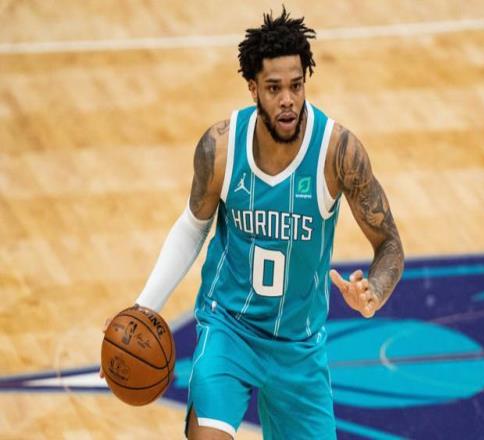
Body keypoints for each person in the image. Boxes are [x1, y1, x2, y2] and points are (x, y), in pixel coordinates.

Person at [129, 8, 404, 440]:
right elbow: (192, 226)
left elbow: (389, 243)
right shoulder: (221, 147)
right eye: (274, 88)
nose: (288, 99)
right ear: (253, 88)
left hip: (299, 346)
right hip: (230, 329)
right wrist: (145, 306)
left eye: (296, 85)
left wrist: (375, 291)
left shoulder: (337, 152)